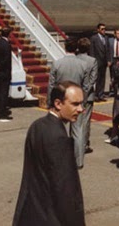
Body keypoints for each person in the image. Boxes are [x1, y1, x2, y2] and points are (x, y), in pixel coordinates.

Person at [13, 82, 85, 226]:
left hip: (31, 213)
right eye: (75, 104)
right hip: (51, 218)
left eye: (81, 104)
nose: (81, 109)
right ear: (58, 103)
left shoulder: (37, 126)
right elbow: (65, 190)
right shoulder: (59, 138)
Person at [73, 37, 98, 168]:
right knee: (85, 123)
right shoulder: (92, 61)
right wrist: (84, 94)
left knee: (75, 124)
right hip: (87, 97)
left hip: (74, 95)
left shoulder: (75, 59)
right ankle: (82, 146)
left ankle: (76, 146)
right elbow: (92, 79)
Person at [48, 40, 87, 108]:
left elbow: (51, 85)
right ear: (76, 49)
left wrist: (50, 102)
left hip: (61, 101)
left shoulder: (57, 64)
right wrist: (83, 103)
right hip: (76, 100)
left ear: (65, 48)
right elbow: (85, 87)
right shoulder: (83, 65)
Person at [89, 23, 108, 101]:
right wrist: (93, 60)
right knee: (96, 79)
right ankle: (96, 95)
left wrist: (109, 60)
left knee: (103, 79)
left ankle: (101, 94)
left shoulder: (106, 38)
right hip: (97, 61)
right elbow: (92, 50)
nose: (104, 31)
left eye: (104, 29)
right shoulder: (94, 38)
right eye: (102, 29)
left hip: (104, 62)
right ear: (98, 30)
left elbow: (108, 50)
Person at [107, 28, 119, 96]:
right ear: (114, 34)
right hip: (112, 59)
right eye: (118, 33)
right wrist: (108, 60)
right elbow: (107, 51)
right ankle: (112, 90)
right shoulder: (110, 41)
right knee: (112, 76)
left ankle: (118, 90)